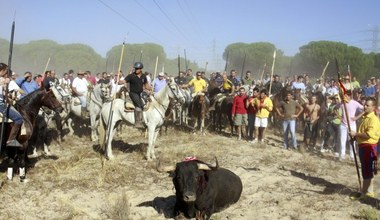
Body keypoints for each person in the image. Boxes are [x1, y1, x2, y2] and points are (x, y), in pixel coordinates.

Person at [349, 97, 380, 200]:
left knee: (367, 170)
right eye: (365, 105)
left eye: (368, 105)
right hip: (363, 145)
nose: (365, 106)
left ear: (373, 107)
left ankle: (363, 193)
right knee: (366, 170)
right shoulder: (364, 117)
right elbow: (362, 133)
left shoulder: (373, 120)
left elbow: (368, 135)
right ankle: (369, 191)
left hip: (369, 147)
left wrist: (356, 134)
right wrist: (355, 137)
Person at [0, 63, 24, 147]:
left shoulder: (3, 79)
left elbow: (2, 93)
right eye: (5, 71)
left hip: (4, 102)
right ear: (2, 70)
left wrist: (8, 95)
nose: (6, 73)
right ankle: (11, 140)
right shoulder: (2, 79)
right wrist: (4, 81)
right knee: (19, 118)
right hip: (0, 105)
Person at [124, 62, 152, 128]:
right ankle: (137, 122)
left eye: (138, 68)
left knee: (143, 105)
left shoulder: (143, 76)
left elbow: (146, 86)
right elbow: (124, 81)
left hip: (139, 94)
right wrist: (119, 81)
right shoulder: (131, 76)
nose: (136, 69)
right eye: (136, 68)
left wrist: (150, 88)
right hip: (132, 93)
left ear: (141, 69)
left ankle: (142, 120)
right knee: (138, 105)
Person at [338, 90, 364, 161]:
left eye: (346, 96)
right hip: (343, 124)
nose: (344, 97)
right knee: (342, 140)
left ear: (349, 96)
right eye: (344, 96)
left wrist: (356, 117)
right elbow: (335, 109)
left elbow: (364, 109)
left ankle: (352, 156)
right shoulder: (342, 102)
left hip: (352, 125)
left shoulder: (355, 103)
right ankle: (342, 155)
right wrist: (339, 117)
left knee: (352, 141)